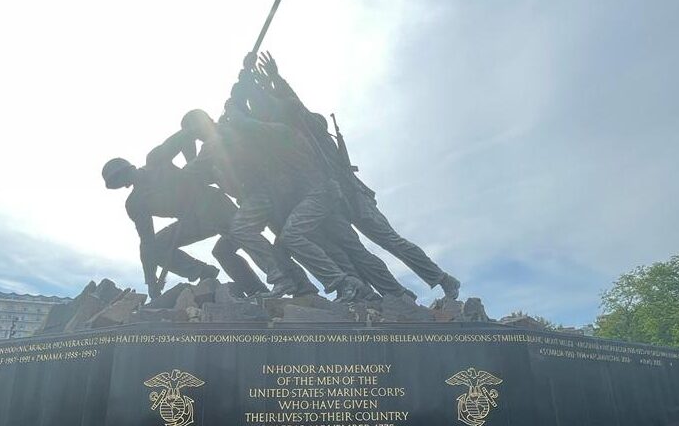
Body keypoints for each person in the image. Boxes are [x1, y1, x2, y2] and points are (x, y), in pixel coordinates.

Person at [252, 51, 460, 299]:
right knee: (354, 249)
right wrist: (262, 84)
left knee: (389, 240)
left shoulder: (318, 136)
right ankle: (391, 294)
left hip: (355, 196)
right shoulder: (304, 141)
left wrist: (277, 80)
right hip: (337, 200)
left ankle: (443, 279)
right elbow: (281, 111)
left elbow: (296, 109)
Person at [179, 106, 366, 302]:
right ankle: (301, 285)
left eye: (190, 130)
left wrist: (184, 148)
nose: (192, 135)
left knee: (243, 229)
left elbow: (191, 172)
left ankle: (301, 280)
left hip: (267, 190)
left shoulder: (217, 138)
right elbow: (207, 174)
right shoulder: (218, 138)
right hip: (260, 194)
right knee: (262, 244)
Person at [101, 135, 282, 299]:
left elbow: (188, 133)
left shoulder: (156, 160)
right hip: (195, 221)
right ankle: (204, 273)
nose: (122, 181)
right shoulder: (136, 203)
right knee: (158, 246)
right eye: (116, 181)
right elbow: (147, 243)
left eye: (120, 176)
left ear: (129, 168)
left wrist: (192, 165)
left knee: (242, 237)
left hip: (215, 206)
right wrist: (151, 280)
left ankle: (283, 278)